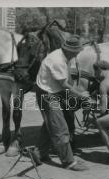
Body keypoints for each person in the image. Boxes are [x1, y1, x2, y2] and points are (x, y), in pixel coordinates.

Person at [31, 35, 90, 171]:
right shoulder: (57, 60)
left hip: (54, 91)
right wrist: (81, 95)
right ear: (70, 50)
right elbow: (64, 84)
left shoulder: (65, 56)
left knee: (51, 124)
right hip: (47, 94)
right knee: (60, 128)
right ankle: (69, 162)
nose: (78, 53)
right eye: (77, 52)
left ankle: (38, 153)